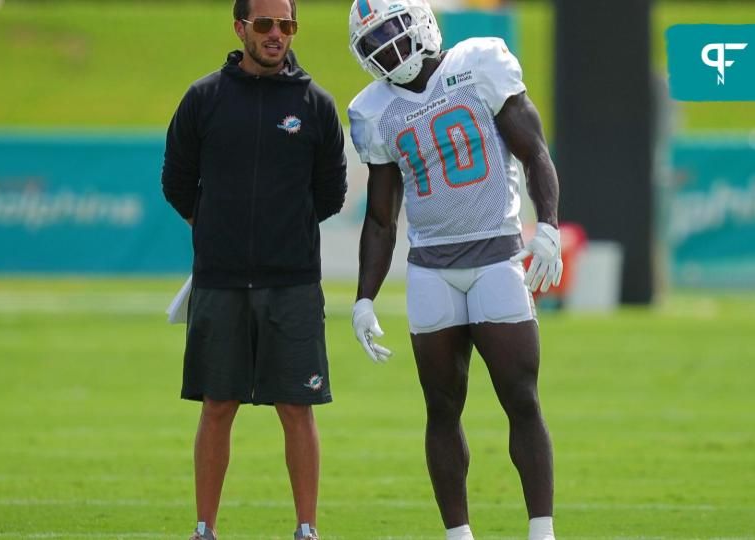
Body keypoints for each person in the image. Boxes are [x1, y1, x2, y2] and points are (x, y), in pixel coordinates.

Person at [346, 1, 562, 539]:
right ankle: (457, 535)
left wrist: (551, 226)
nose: (385, 50)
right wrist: (364, 297)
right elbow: (379, 217)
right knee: (441, 407)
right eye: (372, 43)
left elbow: (534, 151)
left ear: (420, 21)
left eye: (391, 33)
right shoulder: (374, 110)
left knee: (522, 398)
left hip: (496, 257)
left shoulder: (478, 63)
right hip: (431, 270)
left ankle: (542, 531)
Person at [161, 0, 347, 537]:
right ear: (240, 27)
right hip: (220, 283)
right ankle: (204, 528)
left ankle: (306, 529)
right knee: (217, 405)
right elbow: (177, 182)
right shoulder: (203, 99)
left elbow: (330, 194)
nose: (274, 34)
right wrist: (218, 229)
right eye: (264, 24)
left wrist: (280, 233)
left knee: (297, 407)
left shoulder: (315, 105)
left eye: (284, 25)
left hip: (292, 284)